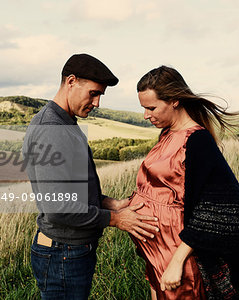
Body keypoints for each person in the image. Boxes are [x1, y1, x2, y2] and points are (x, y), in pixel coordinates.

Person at [128, 66, 239, 299]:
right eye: (143, 108)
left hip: (178, 252)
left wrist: (177, 261)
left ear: (174, 100)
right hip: (156, 251)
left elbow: (210, 208)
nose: (146, 115)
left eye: (151, 108)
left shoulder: (197, 140)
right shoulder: (167, 135)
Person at [23, 54, 159, 300]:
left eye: (100, 96)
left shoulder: (64, 122)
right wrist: (116, 219)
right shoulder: (52, 130)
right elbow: (58, 208)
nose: (97, 103)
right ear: (71, 81)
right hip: (62, 253)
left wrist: (110, 203)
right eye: (93, 93)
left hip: (66, 251)